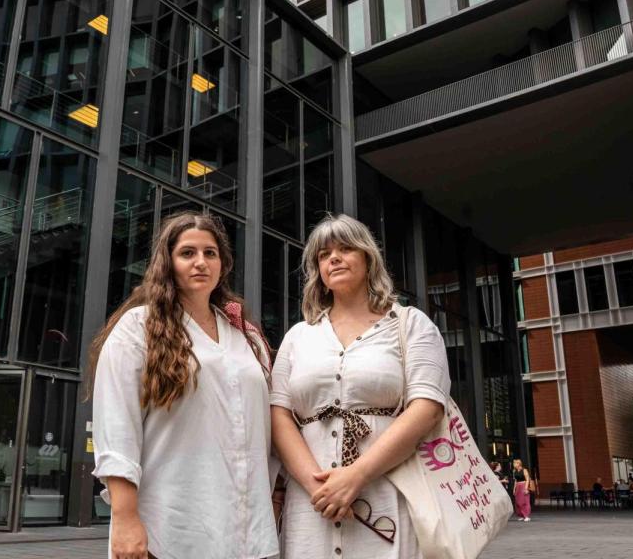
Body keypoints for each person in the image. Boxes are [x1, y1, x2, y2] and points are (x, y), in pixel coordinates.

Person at [90, 212, 278, 559]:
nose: (200, 262)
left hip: (246, 531)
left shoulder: (246, 336)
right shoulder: (138, 327)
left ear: (223, 263)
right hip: (168, 530)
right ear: (168, 261)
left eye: (210, 253)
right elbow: (116, 428)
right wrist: (125, 519)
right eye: (187, 253)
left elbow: (269, 428)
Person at [270, 214, 450, 557]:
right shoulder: (298, 336)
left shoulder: (411, 326)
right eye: (324, 254)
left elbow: (427, 408)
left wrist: (355, 476)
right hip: (311, 509)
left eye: (346, 248)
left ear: (369, 258)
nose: (334, 258)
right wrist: (320, 489)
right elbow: (279, 416)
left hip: (388, 499)